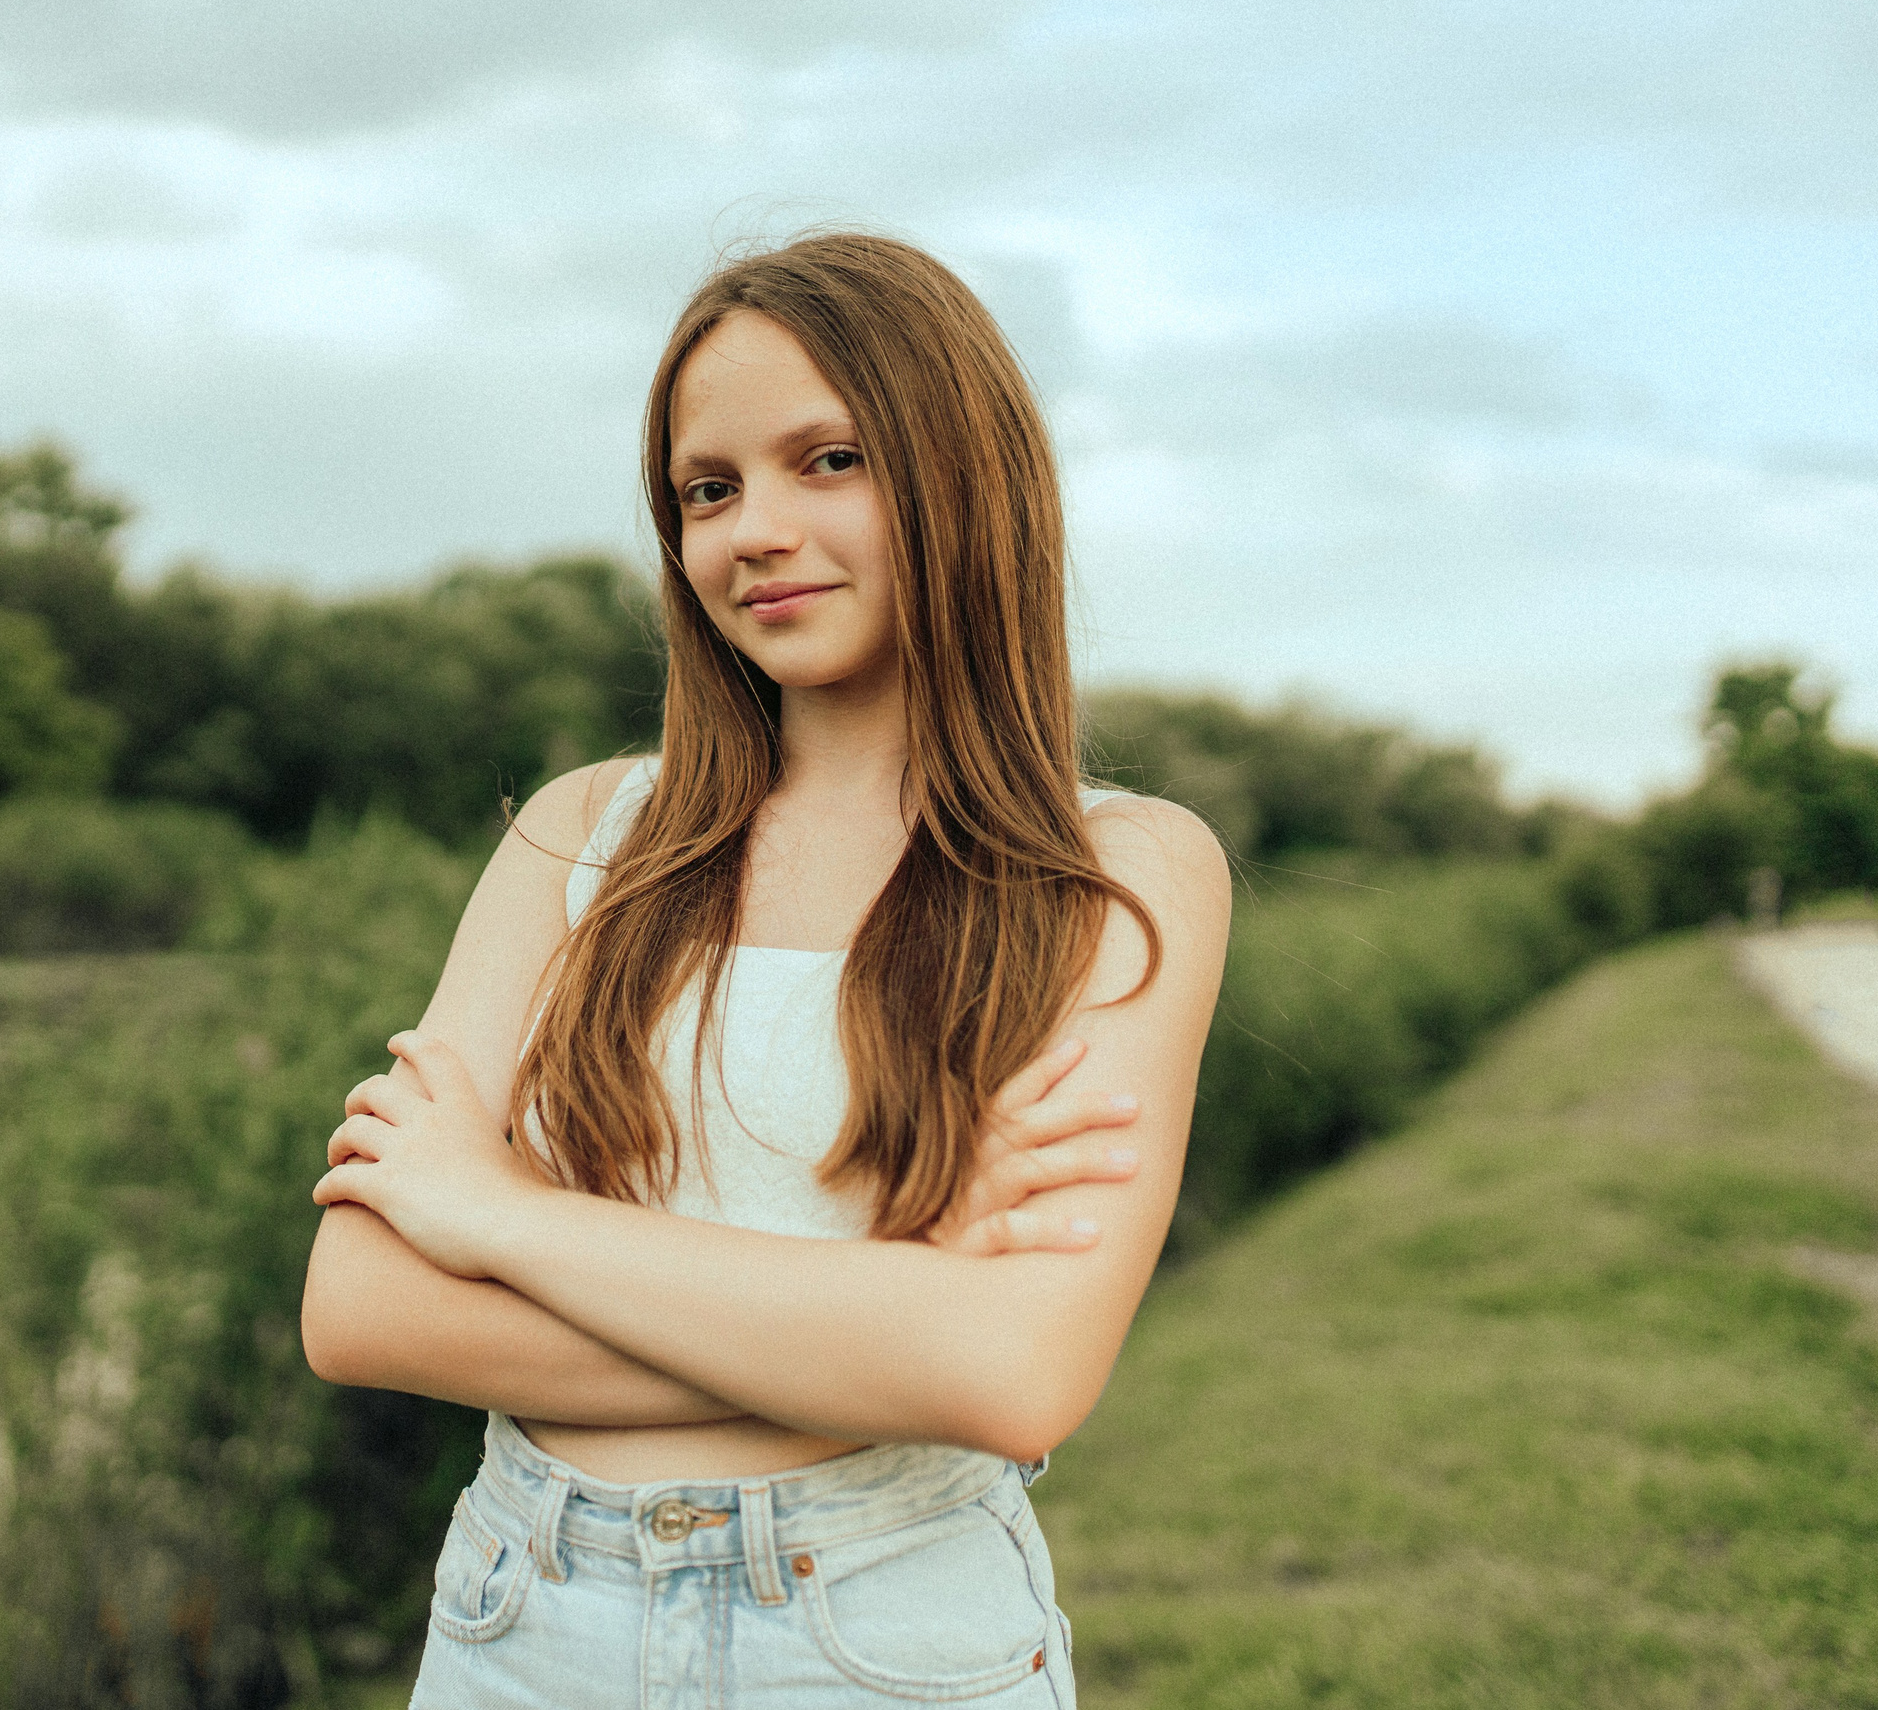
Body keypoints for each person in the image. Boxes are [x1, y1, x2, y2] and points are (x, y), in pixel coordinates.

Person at [301, 232, 1230, 1708]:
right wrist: (884, 1311)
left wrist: (498, 1213)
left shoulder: (1113, 873)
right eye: (708, 488)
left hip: (883, 1631)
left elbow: (1015, 1375)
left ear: (963, 473)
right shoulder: (582, 835)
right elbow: (363, 1307)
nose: (754, 530)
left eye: (831, 459)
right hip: (523, 1618)